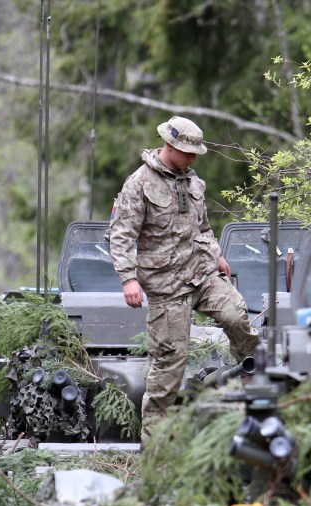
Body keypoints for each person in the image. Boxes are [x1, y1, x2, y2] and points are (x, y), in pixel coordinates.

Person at [109, 116, 259, 432]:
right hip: (166, 286)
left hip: (201, 272)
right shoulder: (138, 184)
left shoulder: (193, 182)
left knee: (236, 316)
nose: (192, 159)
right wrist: (129, 278)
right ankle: (155, 455)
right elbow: (122, 234)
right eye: (188, 152)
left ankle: (254, 378)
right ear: (170, 146)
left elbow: (202, 227)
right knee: (168, 370)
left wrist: (216, 256)